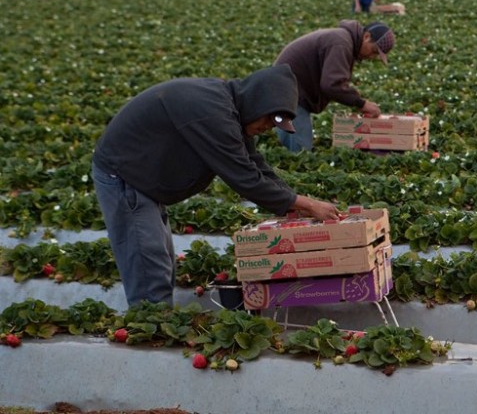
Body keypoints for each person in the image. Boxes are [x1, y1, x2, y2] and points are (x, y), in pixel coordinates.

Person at [92, 64, 341, 307]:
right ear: (259, 102)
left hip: (145, 174)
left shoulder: (232, 108)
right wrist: (304, 203)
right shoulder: (212, 113)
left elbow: (255, 164)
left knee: (162, 258)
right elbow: (244, 178)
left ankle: (156, 319)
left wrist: (295, 202)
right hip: (125, 173)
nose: (267, 128)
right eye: (269, 119)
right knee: (149, 262)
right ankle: (150, 331)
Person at [273, 20, 395, 152]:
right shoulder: (341, 43)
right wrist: (361, 103)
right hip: (286, 91)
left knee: (296, 149)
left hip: (290, 90)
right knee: (299, 152)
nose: (372, 57)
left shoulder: (344, 40)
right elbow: (332, 84)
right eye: (374, 51)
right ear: (366, 37)